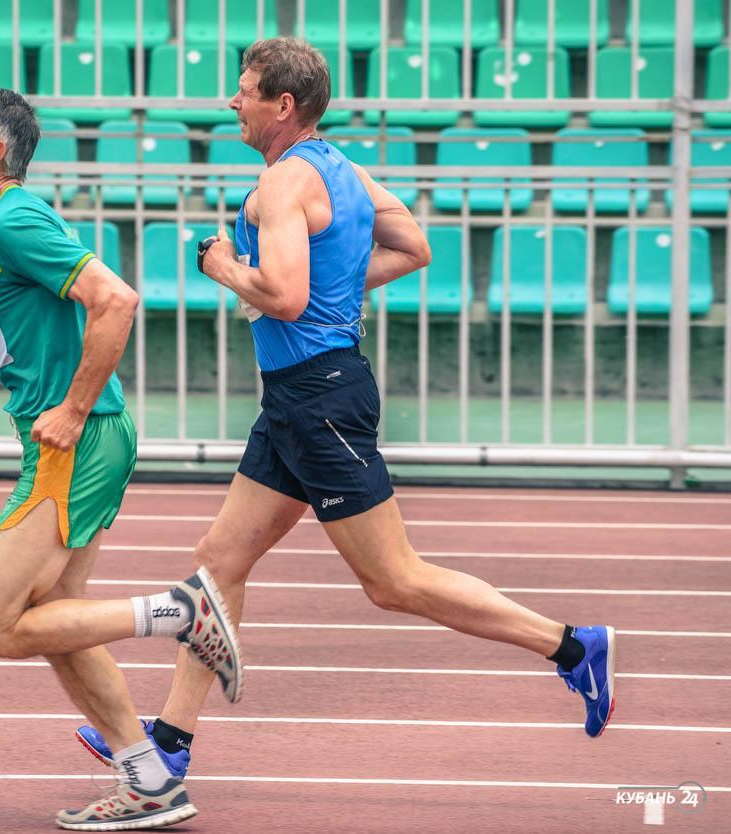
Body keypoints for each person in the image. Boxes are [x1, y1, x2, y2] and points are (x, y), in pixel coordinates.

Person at [74, 37, 616, 778]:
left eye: (245, 91)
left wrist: (224, 265)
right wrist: (331, 293)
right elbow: (413, 246)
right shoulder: (342, 169)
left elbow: (287, 296)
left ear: (283, 105)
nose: (232, 102)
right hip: (302, 398)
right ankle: (170, 741)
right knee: (219, 561)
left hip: (319, 398)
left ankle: (573, 645)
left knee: (393, 580)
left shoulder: (281, 187)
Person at [0, 82, 247, 830]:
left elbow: (114, 299)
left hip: (75, 440)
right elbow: (34, 326)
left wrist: (72, 408)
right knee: (58, 619)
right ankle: (149, 781)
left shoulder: (12, 221)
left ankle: (180, 610)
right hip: (85, 437)